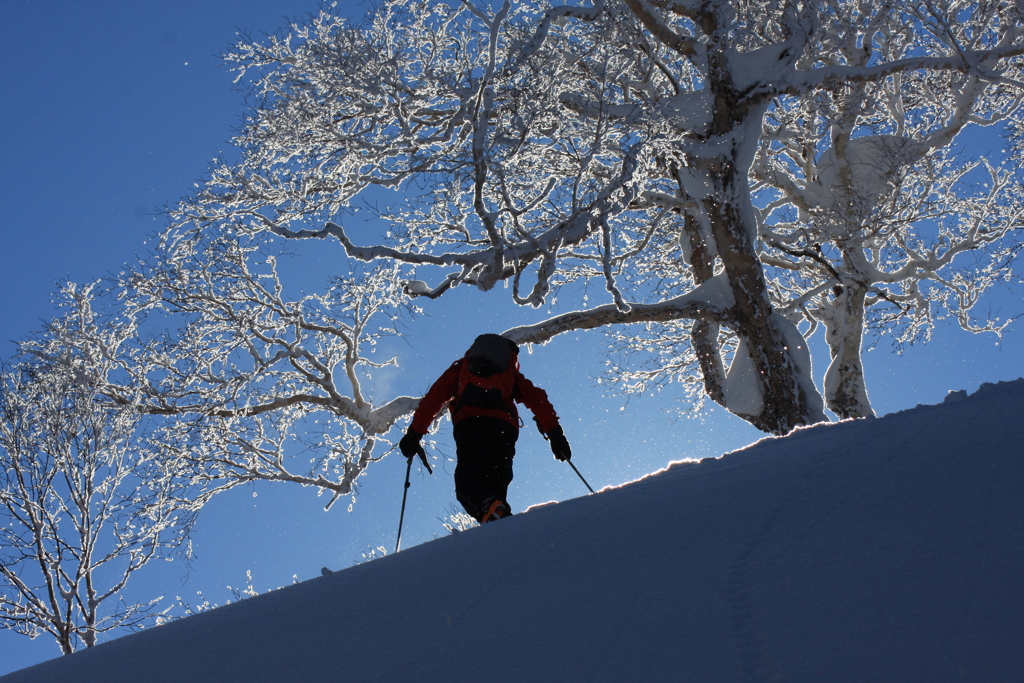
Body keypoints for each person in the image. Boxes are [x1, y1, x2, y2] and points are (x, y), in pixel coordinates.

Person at [399, 333, 572, 524]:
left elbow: (433, 399)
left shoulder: (462, 368)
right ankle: (502, 524)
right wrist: (556, 435)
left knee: (469, 486)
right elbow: (537, 399)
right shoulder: (510, 374)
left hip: (471, 425)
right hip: (504, 430)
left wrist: (414, 434)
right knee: (496, 487)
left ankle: (497, 521)